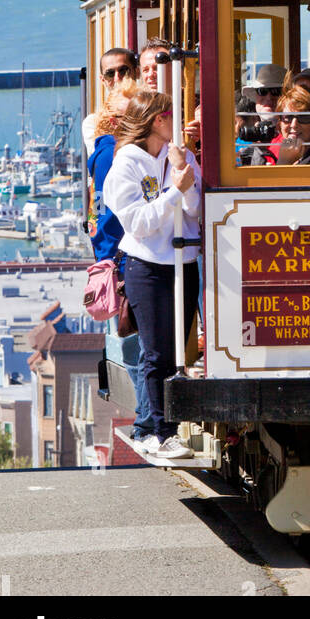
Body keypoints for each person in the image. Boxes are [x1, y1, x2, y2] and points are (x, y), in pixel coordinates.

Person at [103, 90, 202, 458]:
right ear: (157, 120)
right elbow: (140, 224)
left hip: (184, 262)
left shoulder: (181, 155)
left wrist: (182, 177)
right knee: (156, 352)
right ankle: (158, 431)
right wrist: (175, 190)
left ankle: (163, 428)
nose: (177, 120)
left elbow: (197, 210)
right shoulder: (126, 164)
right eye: (171, 113)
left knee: (178, 349)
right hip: (147, 266)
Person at [86, 80, 151, 446]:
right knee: (135, 342)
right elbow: (113, 215)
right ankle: (145, 418)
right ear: (117, 119)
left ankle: (146, 416)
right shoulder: (113, 153)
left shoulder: (103, 149)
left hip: (113, 259)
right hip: (123, 261)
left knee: (133, 340)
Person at [82, 47, 137, 155]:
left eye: (123, 71)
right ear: (103, 80)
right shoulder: (92, 122)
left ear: (136, 72)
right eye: (110, 74)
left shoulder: (151, 109)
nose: (117, 78)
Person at [265, 86, 310, 166]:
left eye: (303, 117)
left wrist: (284, 162)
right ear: (280, 122)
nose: (294, 125)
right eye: (287, 117)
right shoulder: (269, 152)